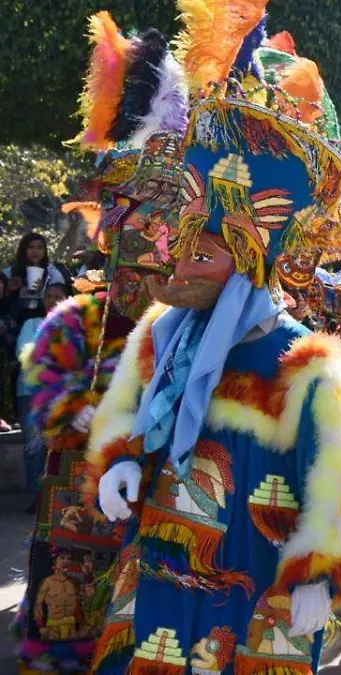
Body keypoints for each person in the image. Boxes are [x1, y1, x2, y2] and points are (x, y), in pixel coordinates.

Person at [86, 11, 341, 674]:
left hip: (252, 583)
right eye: (183, 248)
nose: (179, 269)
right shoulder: (161, 335)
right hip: (157, 578)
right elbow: (122, 415)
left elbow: (334, 479)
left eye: (203, 255)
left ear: (247, 263)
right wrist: (120, 460)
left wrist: (319, 571)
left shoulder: (309, 364)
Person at [12, 14, 189, 674]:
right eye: (142, 221)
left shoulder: (186, 323)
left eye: (168, 228)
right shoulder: (81, 317)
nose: (154, 245)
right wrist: (73, 412)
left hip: (156, 505)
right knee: (68, 612)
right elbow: (42, 380)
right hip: (74, 496)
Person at [16, 282, 67, 492]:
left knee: (58, 444)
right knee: (34, 445)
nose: (53, 300)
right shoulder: (31, 324)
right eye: (49, 296)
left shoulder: (74, 325)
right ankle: (36, 496)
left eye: (58, 296)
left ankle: (52, 496)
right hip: (31, 393)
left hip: (63, 393)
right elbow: (27, 355)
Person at [3, 232, 67, 323]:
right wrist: (7, 288)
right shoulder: (9, 272)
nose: (35, 251)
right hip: (13, 321)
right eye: (30, 247)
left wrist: (43, 290)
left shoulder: (52, 273)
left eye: (40, 248)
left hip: (43, 322)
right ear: (23, 249)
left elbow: (61, 301)